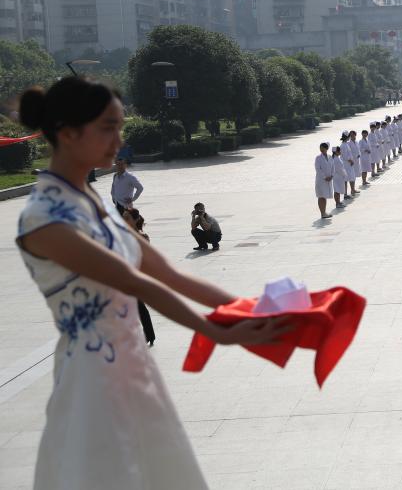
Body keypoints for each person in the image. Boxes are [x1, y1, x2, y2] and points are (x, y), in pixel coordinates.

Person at [14, 76, 286, 489]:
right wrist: (213, 329)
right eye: (108, 127)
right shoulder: (44, 216)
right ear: (68, 132)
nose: (119, 140)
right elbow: (132, 280)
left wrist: (250, 309)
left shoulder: (97, 203)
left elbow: (169, 274)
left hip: (134, 369)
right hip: (90, 381)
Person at [121, 207, 156, 347]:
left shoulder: (142, 236)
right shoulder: (122, 234)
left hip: (135, 274)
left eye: (127, 218)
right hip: (124, 273)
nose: (124, 220)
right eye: (123, 217)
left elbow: (145, 257)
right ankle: (148, 335)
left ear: (135, 220)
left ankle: (147, 335)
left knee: (137, 306)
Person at [314, 142, 334, 219]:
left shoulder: (330, 157)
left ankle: (324, 212)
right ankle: (322, 213)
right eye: (320, 148)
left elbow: (333, 167)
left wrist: (331, 176)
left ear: (326, 148)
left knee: (324, 196)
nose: (321, 149)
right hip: (321, 180)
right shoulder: (318, 158)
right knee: (321, 196)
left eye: (323, 148)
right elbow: (318, 169)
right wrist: (325, 177)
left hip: (329, 179)